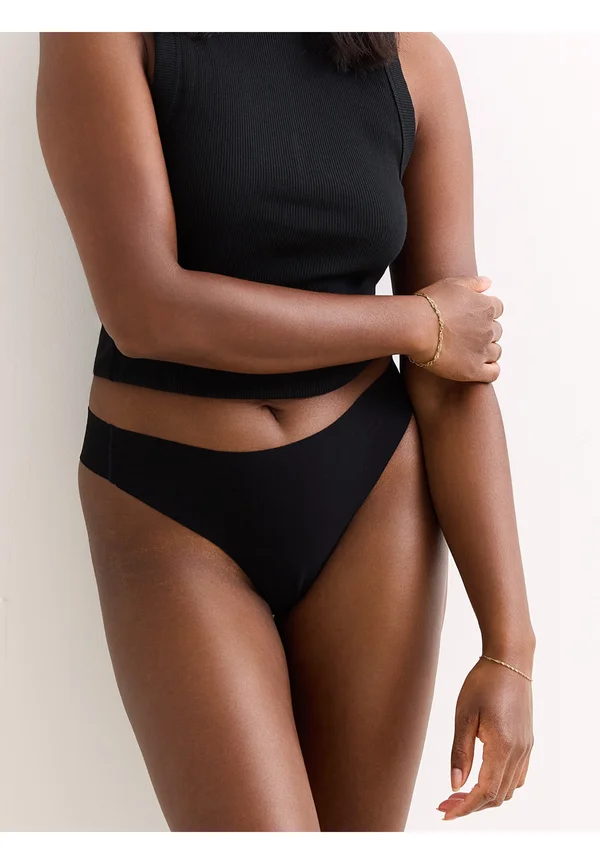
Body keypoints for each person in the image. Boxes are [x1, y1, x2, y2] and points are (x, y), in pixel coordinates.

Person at [36, 31, 535, 831]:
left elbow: (455, 367)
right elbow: (146, 311)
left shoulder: (412, 62)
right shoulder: (104, 31)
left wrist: (510, 645)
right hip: (173, 507)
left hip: (370, 493)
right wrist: (414, 323)